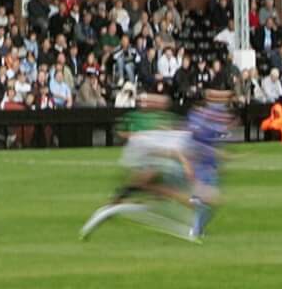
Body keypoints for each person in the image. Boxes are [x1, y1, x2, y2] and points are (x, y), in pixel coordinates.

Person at [79, 93, 197, 241]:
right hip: (145, 162)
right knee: (146, 187)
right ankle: (117, 204)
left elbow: (173, 146)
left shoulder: (166, 121)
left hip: (154, 163)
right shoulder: (138, 118)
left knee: (150, 189)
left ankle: (119, 204)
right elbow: (124, 134)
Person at [185, 88, 235, 240]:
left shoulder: (210, 114)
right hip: (201, 165)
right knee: (209, 200)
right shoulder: (197, 118)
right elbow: (196, 141)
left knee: (211, 202)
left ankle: (197, 229)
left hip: (210, 165)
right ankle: (195, 230)